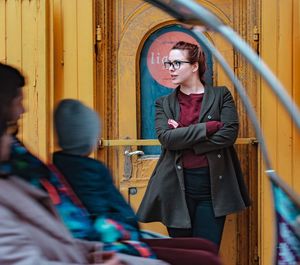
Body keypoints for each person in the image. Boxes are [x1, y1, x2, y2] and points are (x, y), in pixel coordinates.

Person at [0, 62, 169, 265]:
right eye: (19, 101)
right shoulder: (25, 170)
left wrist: (94, 250)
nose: (23, 110)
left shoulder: (31, 166)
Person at [137, 41, 251, 248]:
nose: (171, 69)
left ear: (195, 66)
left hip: (213, 188)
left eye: (177, 63)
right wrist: (208, 128)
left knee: (206, 252)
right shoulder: (164, 103)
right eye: (168, 64)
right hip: (175, 188)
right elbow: (167, 138)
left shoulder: (221, 95)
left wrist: (183, 135)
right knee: (183, 253)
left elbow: (228, 135)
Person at [52, 99, 139, 230]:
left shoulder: (52, 167)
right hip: (99, 234)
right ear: (90, 141)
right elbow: (127, 216)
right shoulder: (95, 170)